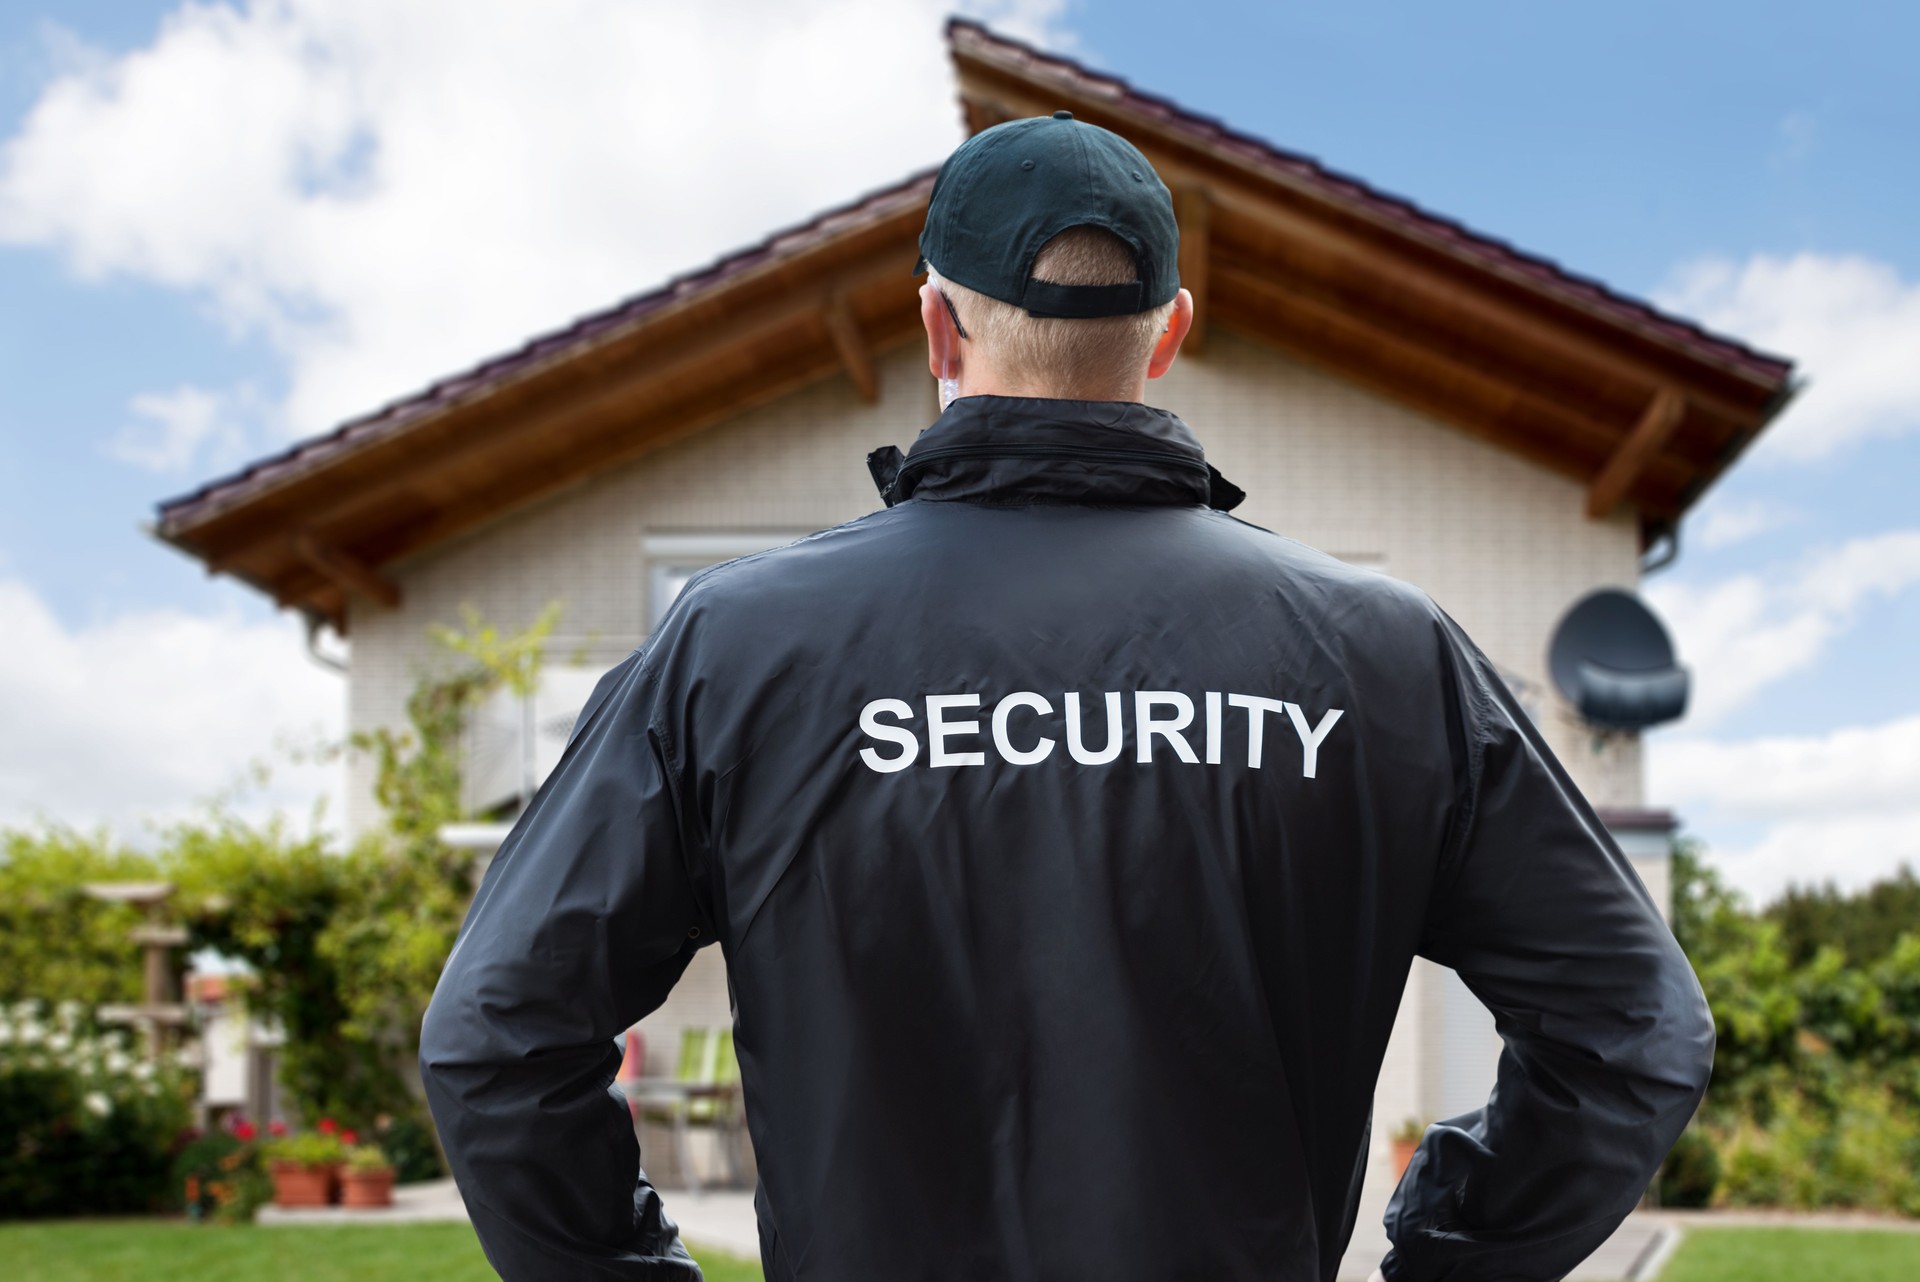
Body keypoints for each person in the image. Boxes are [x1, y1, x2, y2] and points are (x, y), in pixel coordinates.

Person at [419, 111, 1715, 1282]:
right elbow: (1632, 1029)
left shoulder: (734, 648)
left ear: (934, 324)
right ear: (1169, 335)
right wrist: (1447, 1255)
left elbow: (497, 1037)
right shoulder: (1380, 654)